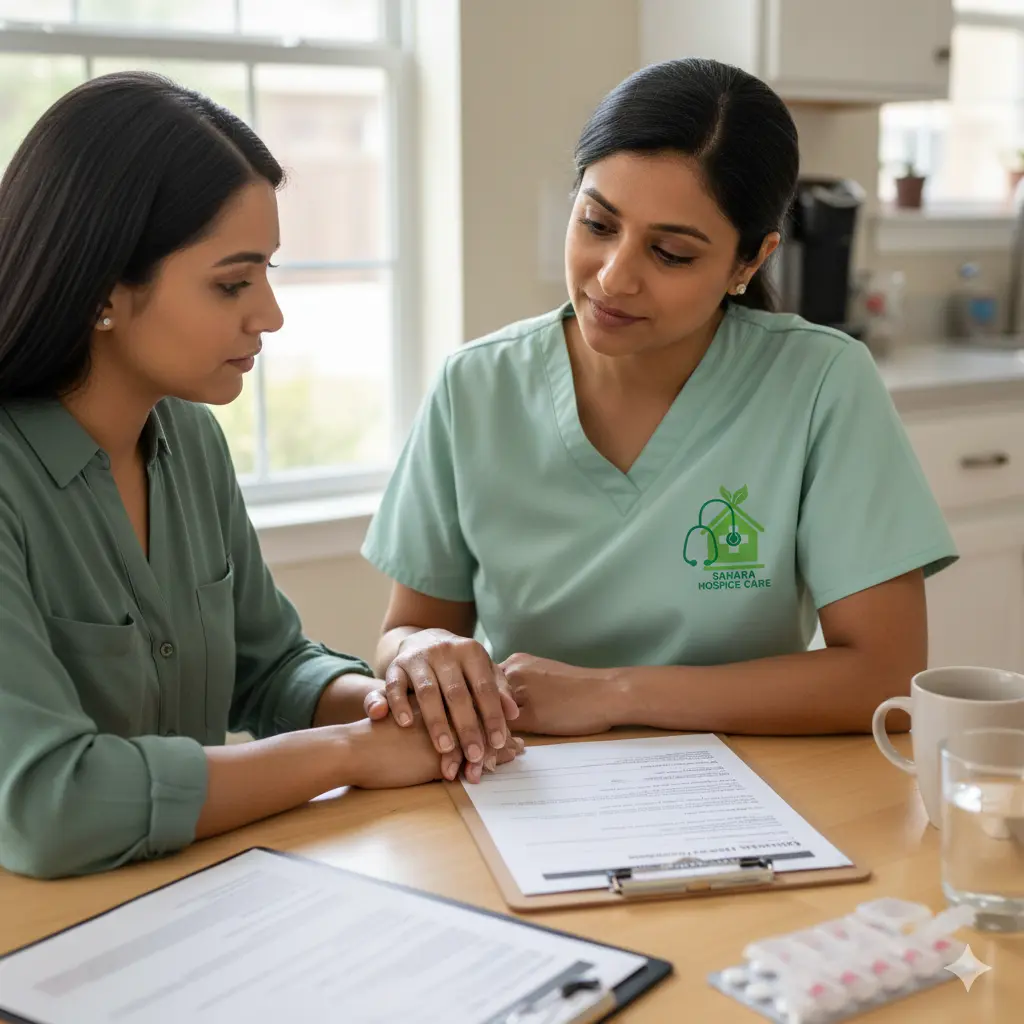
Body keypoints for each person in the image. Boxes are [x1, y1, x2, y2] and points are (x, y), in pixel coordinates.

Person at [0, 73, 521, 880]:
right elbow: (49, 804)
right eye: (232, 282)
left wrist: (406, 706)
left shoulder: (190, 441)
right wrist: (351, 752)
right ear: (106, 287)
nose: (270, 313)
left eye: (268, 273)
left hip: (190, 906)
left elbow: (270, 667)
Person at [359, 58, 957, 759]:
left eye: (670, 253)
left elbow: (884, 677)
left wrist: (616, 694)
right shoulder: (475, 387)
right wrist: (421, 651)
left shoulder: (821, 381)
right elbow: (405, 635)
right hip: (524, 785)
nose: (614, 276)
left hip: (763, 788)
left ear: (747, 263)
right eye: (596, 223)